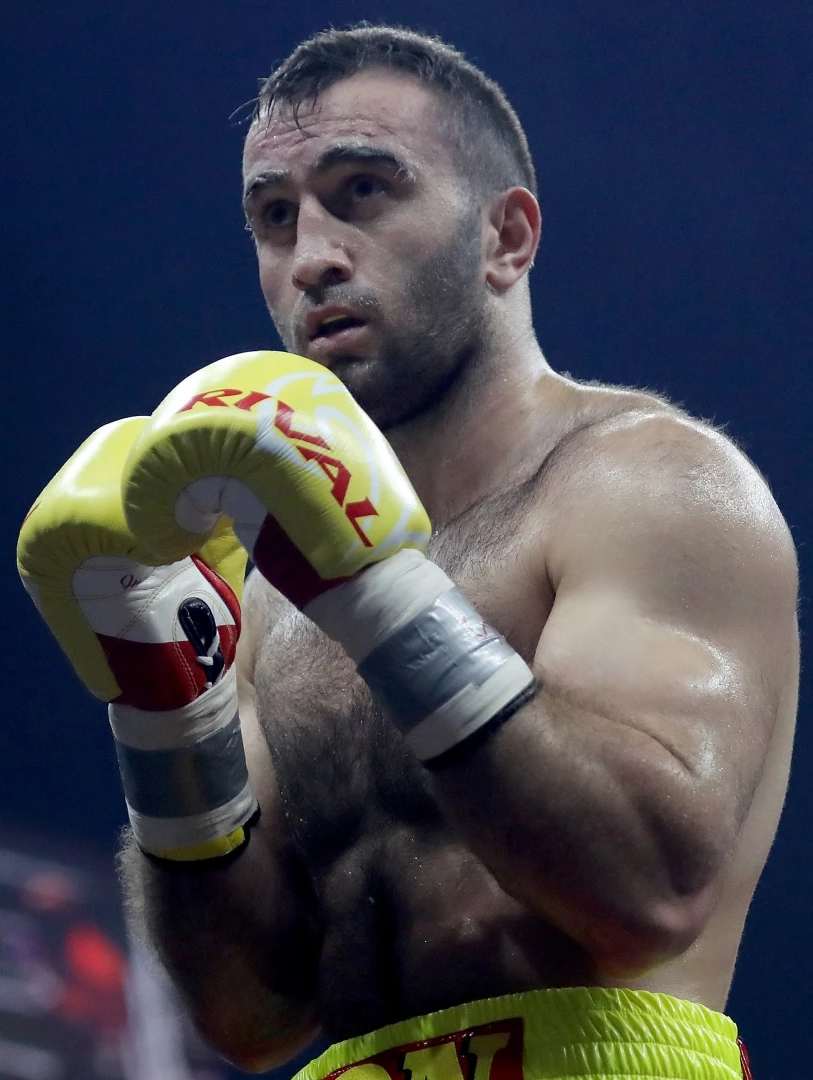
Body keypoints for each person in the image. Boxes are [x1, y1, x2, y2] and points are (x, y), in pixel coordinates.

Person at [17, 24, 798, 1080]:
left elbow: (648, 895)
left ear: (505, 238)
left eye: (365, 191)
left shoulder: (648, 484)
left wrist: (377, 596)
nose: (313, 256)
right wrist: (165, 709)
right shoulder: (270, 590)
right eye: (275, 216)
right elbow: (248, 1014)